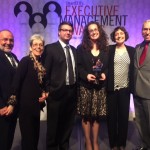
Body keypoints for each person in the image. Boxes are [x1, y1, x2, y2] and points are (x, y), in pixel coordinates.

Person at [43, 21, 77, 150]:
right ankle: (51, 147)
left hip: (72, 92)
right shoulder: (50, 48)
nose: (67, 32)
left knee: (68, 123)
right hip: (56, 93)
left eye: (70, 30)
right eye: (64, 30)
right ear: (59, 32)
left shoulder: (74, 50)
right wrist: (48, 90)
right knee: (53, 125)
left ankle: (64, 145)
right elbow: (45, 72)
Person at [10, 34, 47, 150]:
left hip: (36, 106)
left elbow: (40, 85)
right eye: (35, 44)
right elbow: (16, 83)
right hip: (25, 107)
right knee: (28, 139)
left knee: (35, 138)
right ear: (30, 47)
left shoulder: (41, 63)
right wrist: (12, 103)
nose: (38, 47)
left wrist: (43, 94)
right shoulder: (25, 61)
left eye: (41, 45)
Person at [76, 21, 108, 150]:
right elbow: (78, 67)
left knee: (97, 116)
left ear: (99, 31)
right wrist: (86, 76)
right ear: (87, 34)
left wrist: (105, 74)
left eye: (96, 29)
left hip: (100, 87)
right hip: (85, 87)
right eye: (91, 30)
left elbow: (108, 67)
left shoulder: (106, 48)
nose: (94, 32)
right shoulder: (81, 48)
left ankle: (95, 142)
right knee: (86, 116)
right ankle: (88, 142)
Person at [106, 26, 135, 150]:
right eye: (117, 34)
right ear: (114, 36)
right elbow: (102, 65)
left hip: (125, 89)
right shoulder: (109, 49)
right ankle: (113, 144)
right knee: (111, 118)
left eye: (121, 33)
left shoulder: (132, 50)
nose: (119, 35)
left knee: (123, 117)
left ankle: (122, 143)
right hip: (111, 89)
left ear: (125, 35)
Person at [0, 29, 19, 150]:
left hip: (13, 107)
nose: (8, 42)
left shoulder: (14, 56)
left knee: (8, 139)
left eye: (11, 40)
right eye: (5, 39)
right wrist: (1, 105)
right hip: (3, 108)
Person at [134, 20, 150, 150]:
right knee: (140, 123)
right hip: (137, 92)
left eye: (149, 29)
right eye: (145, 29)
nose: (147, 32)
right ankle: (145, 146)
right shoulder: (138, 47)